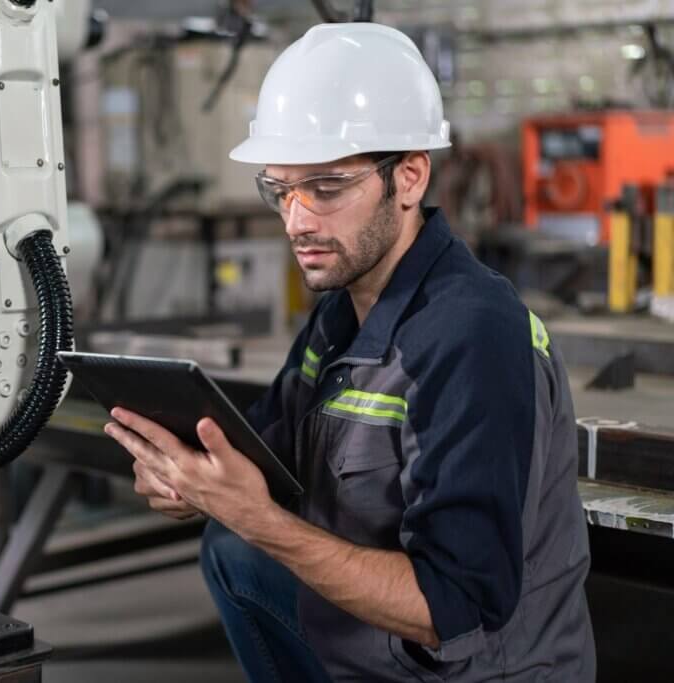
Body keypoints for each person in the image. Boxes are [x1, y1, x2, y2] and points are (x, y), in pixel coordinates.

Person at [103, 22, 595, 682]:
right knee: (231, 548)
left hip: (475, 669)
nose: (297, 220)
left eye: (326, 188)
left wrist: (258, 517)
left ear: (410, 176)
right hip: (380, 650)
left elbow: (457, 602)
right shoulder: (341, 311)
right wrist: (196, 480)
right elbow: (268, 454)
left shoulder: (470, 333)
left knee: (249, 539)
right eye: (280, 189)